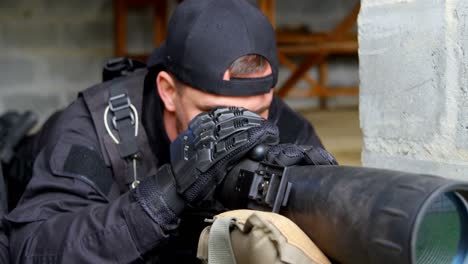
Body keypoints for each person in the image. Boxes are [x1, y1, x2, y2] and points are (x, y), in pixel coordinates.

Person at [5, 0, 334, 263]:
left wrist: (319, 189)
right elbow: (32, 248)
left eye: (257, 113)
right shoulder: (96, 128)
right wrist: (165, 194)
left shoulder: (285, 125)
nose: (241, 133)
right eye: (214, 114)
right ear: (167, 91)